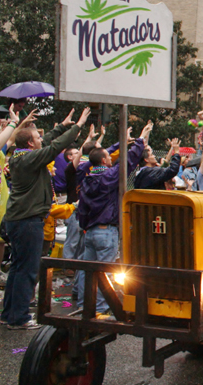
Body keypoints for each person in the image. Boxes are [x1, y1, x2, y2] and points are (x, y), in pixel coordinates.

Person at [1, 107, 89, 329]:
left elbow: (47, 140)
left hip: (20, 219)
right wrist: (78, 126)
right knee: (28, 269)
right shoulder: (29, 159)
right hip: (28, 220)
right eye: (37, 137)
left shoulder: (20, 155)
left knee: (18, 267)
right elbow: (55, 147)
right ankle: (18, 318)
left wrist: (62, 125)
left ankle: (9, 314)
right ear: (31, 143)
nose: (42, 138)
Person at [75, 122, 148, 316]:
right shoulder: (108, 177)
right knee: (105, 273)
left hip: (89, 231)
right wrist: (140, 141)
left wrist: (120, 143)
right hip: (106, 231)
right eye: (109, 157)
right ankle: (100, 309)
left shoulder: (86, 176)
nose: (111, 158)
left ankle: (84, 305)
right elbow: (128, 162)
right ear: (105, 162)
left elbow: (97, 154)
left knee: (86, 271)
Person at [0, 106, 36, 288]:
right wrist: (12, 123)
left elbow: (10, 139)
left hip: (0, 204)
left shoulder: (0, 154)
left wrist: (20, 123)